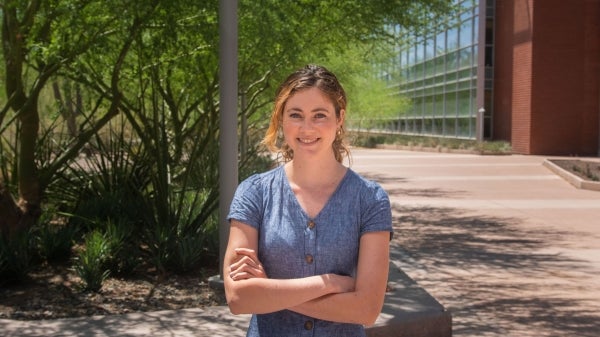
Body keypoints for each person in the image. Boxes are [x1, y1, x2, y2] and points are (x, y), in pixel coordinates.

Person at [224, 64, 393, 337]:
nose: (306, 127)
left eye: (319, 115)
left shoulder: (370, 199)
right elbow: (238, 298)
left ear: (340, 119)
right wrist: (330, 283)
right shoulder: (254, 192)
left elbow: (367, 309)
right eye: (295, 115)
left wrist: (270, 290)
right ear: (281, 119)